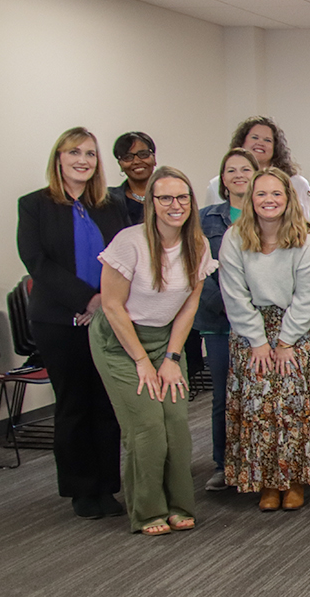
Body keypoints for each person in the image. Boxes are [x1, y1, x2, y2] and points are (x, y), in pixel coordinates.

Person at [88, 166, 216, 534]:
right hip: (119, 342)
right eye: (165, 198)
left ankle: (178, 505)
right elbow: (112, 306)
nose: (175, 205)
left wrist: (172, 357)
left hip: (165, 341)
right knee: (147, 427)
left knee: (175, 425)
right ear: (151, 204)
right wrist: (142, 361)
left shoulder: (198, 244)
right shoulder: (129, 243)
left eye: (182, 197)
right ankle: (147, 511)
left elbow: (189, 305)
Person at [17, 129, 130, 519]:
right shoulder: (34, 205)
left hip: (107, 317)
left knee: (105, 403)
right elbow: (37, 262)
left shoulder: (110, 205)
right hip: (58, 320)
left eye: (91, 154)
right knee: (73, 404)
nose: (83, 160)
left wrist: (105, 301)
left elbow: (125, 255)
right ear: (59, 158)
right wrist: (86, 299)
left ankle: (106, 487)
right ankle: (81, 490)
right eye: (74, 152)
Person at [219, 167, 310, 510]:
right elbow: (234, 294)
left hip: (298, 331)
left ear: (288, 199)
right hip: (251, 330)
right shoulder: (234, 239)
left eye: (276, 194)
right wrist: (258, 341)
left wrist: (285, 341)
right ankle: (268, 483)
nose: (268, 200)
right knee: (258, 407)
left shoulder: (304, 238)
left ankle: (295, 479)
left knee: (293, 405)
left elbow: (308, 295)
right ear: (250, 199)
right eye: (261, 194)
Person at [197, 147, 259, 493]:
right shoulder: (205, 218)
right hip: (219, 320)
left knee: (258, 394)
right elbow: (198, 268)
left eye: (245, 169)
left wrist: (251, 308)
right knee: (223, 395)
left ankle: (256, 461)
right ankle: (224, 464)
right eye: (231, 170)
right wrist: (231, 304)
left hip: (262, 321)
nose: (238, 175)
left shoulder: (269, 213)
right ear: (222, 178)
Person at [202, 115, 310, 207]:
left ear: (275, 148)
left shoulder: (297, 183)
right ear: (242, 142)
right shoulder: (216, 185)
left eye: (267, 140)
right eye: (254, 137)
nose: (260, 143)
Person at [109, 131, 156, 225]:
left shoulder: (172, 194)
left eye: (143, 154)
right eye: (127, 157)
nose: (136, 161)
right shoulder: (109, 200)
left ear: (154, 159)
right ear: (120, 164)